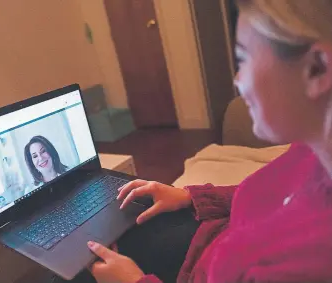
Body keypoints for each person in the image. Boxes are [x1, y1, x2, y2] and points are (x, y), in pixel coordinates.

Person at [61, 1, 332, 282]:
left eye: (244, 59)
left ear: (317, 68)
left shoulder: (310, 262)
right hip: (207, 239)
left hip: (195, 269)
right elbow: (270, 196)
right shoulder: (311, 150)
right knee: (90, 243)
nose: (237, 81)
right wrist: (190, 196)